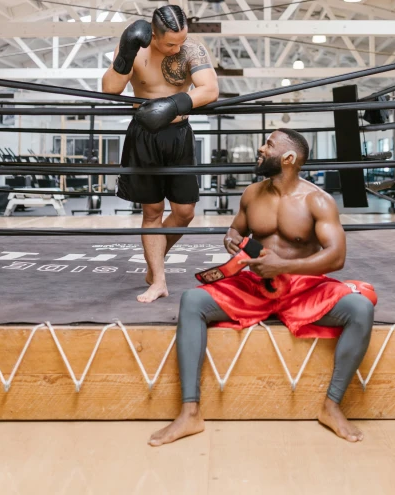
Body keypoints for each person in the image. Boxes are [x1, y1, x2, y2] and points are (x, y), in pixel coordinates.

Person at [149, 128, 376, 447]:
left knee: (360, 308)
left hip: (302, 287)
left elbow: (336, 257)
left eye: (269, 144)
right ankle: (190, 412)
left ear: (289, 158)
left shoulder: (317, 200)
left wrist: (284, 266)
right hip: (253, 285)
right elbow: (235, 230)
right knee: (192, 301)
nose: (260, 147)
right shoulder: (252, 194)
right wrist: (231, 240)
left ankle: (332, 406)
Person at [102, 5, 219, 303]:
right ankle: (159, 279)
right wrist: (126, 54)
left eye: (181, 40)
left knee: (185, 212)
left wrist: (172, 105)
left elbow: (209, 90)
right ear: (153, 35)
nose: (177, 48)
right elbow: (110, 90)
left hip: (179, 134)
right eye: (170, 43)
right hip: (144, 135)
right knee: (152, 212)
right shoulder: (134, 46)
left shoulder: (191, 49)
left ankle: (155, 261)